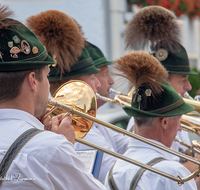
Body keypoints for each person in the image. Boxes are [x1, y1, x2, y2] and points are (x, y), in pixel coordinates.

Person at [0, 5, 107, 189]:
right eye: (47, 75)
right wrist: (64, 146)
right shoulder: (49, 148)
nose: (48, 86)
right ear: (33, 80)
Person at [26, 10, 130, 183]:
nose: (98, 84)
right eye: (92, 77)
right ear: (74, 85)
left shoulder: (89, 123)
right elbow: (118, 179)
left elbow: (129, 149)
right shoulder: (75, 126)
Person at [104, 51, 198, 190]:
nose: (179, 128)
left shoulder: (113, 172)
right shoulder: (173, 173)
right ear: (164, 122)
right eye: (178, 120)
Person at [125, 5, 198, 166]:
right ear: (163, 81)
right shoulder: (144, 121)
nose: (188, 87)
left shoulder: (177, 117)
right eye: (183, 79)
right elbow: (160, 172)